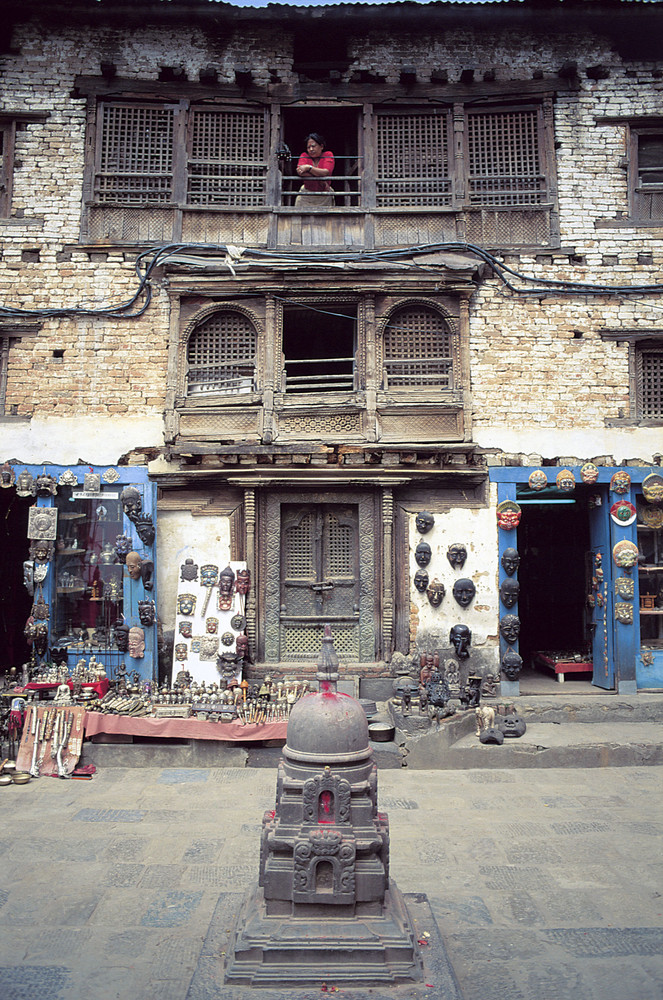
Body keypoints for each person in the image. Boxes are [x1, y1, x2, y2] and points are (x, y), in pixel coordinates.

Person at [295, 132, 334, 208]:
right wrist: (321, 179)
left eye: (313, 146)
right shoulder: (304, 156)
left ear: (321, 146)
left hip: (324, 194)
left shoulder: (328, 155)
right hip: (306, 194)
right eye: (308, 147)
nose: (311, 149)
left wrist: (308, 168)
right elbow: (300, 172)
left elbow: (326, 172)